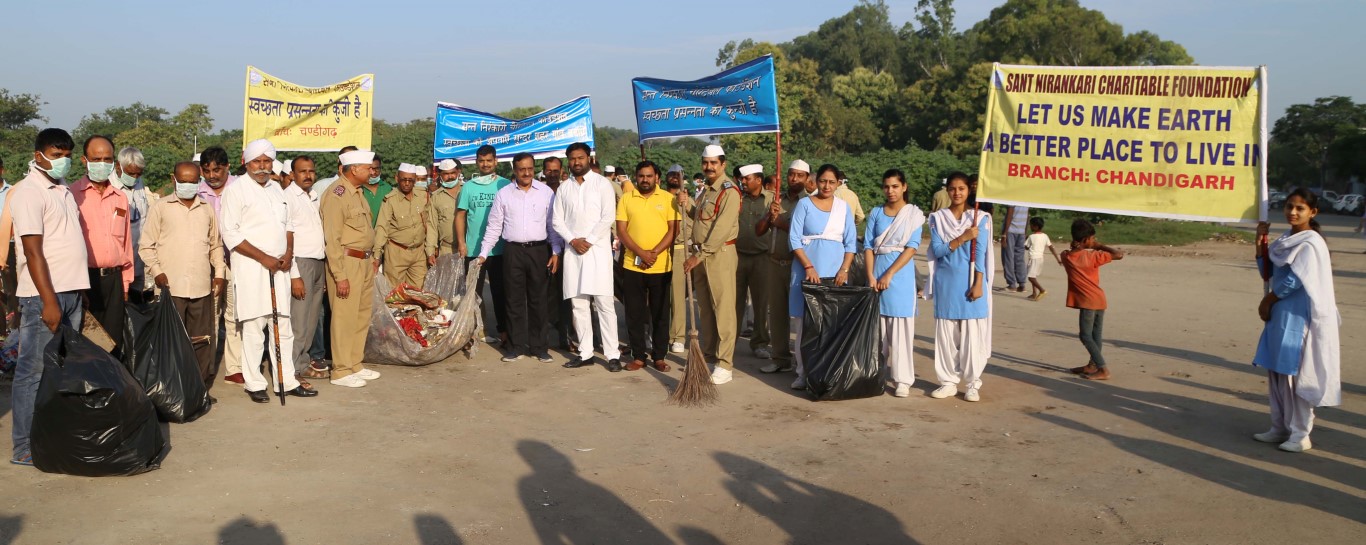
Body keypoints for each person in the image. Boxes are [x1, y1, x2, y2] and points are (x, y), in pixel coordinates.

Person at [8, 128, 89, 467]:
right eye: (56, 155)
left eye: (67, 154)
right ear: (38, 154)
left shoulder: (63, 191)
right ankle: (24, 447)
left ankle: (53, 434)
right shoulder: (28, 192)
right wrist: (50, 300)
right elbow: (33, 251)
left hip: (71, 292)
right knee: (33, 370)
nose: (62, 161)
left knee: (61, 370)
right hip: (45, 296)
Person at [218, 139, 317, 403]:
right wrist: (264, 258)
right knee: (254, 326)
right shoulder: (236, 190)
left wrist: (287, 258)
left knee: (282, 326)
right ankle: (254, 383)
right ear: (245, 162)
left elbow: (288, 227)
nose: (262, 167)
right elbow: (230, 233)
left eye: (267, 162)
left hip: (281, 269)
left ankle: (286, 380)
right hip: (252, 269)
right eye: (257, 162)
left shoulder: (277, 189)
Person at [1251, 189, 1340, 453]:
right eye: (1290, 206)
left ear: (1312, 212)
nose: (1293, 212)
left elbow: (1295, 279)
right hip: (1279, 314)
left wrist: (1269, 300)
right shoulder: (1284, 241)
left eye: (1300, 208)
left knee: (1294, 374)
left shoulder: (1311, 243)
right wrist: (1260, 242)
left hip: (1298, 315)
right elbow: (1267, 271)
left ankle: (1300, 433)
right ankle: (1279, 426)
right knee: (1276, 371)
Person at [140, 161, 226, 394]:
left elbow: (215, 245)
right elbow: (146, 247)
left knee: (201, 340)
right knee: (170, 341)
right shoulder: (161, 207)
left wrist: (219, 274)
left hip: (201, 287)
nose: (188, 185)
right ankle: (172, 389)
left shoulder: (206, 209)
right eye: (183, 181)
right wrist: (157, 272)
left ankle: (198, 389)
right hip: (171, 288)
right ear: (173, 179)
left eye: (193, 181)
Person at [478, 152, 561, 363]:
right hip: (513, 251)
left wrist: (555, 251)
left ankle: (540, 347)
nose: (526, 173)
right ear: (514, 170)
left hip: (539, 251)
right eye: (522, 169)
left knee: (538, 300)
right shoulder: (504, 194)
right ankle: (515, 347)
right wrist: (484, 252)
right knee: (513, 300)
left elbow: (552, 225)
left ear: (535, 169)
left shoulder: (545, 193)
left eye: (530, 169)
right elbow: (494, 225)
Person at [553, 142, 622, 372]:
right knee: (578, 304)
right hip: (574, 253)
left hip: (598, 252)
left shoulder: (602, 184)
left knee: (604, 304)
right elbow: (557, 221)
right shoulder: (564, 188)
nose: (576, 162)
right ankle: (585, 353)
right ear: (568, 161)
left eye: (580, 158)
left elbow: (608, 217)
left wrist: (588, 240)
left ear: (588, 158)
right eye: (572, 159)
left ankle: (612, 354)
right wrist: (573, 240)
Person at [787, 164, 857, 390]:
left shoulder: (843, 207)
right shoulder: (804, 204)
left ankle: (827, 371)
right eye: (823, 181)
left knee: (831, 323)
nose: (827, 186)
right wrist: (808, 266)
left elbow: (850, 242)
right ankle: (803, 372)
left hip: (835, 271)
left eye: (831, 182)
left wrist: (844, 269)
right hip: (806, 269)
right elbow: (794, 239)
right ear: (816, 182)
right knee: (805, 323)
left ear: (838, 184)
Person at [319, 149, 383, 389]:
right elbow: (332, 239)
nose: (372, 171)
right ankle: (341, 369)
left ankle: (355, 363)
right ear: (354, 169)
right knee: (344, 318)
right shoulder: (337, 194)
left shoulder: (357, 193)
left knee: (361, 315)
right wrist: (340, 275)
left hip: (364, 262)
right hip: (347, 262)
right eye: (368, 168)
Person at [927, 172, 992, 402]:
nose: (957, 193)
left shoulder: (980, 218)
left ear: (968, 191)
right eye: (953, 189)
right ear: (947, 191)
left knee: (971, 337)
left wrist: (978, 282)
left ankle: (973, 383)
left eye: (961, 189)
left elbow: (982, 254)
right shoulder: (937, 218)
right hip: (946, 283)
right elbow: (938, 250)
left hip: (970, 284)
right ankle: (948, 381)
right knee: (946, 336)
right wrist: (963, 237)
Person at [863, 169, 925, 398]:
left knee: (900, 331)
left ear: (904, 187)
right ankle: (876, 373)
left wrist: (889, 274)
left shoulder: (914, 215)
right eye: (887, 186)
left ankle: (902, 379)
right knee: (877, 332)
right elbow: (868, 245)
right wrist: (870, 275)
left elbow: (912, 247)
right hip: (876, 273)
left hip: (900, 277)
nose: (890, 191)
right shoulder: (876, 213)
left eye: (895, 186)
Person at [70, 135, 134, 355]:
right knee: (87, 340)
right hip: (84, 279)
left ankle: (111, 388)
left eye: (107, 159)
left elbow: (125, 242)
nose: (102, 164)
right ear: (84, 160)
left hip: (114, 279)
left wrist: (126, 281)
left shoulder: (120, 198)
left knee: (113, 341)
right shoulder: (71, 196)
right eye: (96, 159)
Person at [684, 145, 741, 385]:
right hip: (702, 254)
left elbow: (720, 229)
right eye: (705, 162)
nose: (708, 167)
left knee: (723, 309)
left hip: (719, 253)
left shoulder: (729, 191)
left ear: (723, 164)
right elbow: (701, 217)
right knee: (705, 309)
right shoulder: (707, 190)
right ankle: (708, 356)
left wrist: (700, 254)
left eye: (713, 163)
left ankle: (725, 364)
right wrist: (687, 204)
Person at [616, 160, 679, 372]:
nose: (645, 179)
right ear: (636, 177)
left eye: (649, 176)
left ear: (657, 178)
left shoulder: (669, 199)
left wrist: (654, 253)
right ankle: (639, 355)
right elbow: (622, 231)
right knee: (634, 313)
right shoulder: (626, 199)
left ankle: (659, 356)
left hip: (661, 265)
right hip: (632, 265)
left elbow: (673, 230)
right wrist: (641, 253)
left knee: (660, 313)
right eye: (641, 176)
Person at [197, 146, 247, 384]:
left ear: (227, 167)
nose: (212, 176)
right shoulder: (196, 193)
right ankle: (206, 365)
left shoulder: (241, 188)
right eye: (206, 171)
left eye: (217, 170)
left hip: (239, 259)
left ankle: (234, 367)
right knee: (210, 314)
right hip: (208, 262)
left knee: (235, 313)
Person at [754, 160, 808, 373]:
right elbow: (759, 230)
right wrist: (770, 216)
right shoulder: (776, 200)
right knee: (776, 313)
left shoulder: (809, 203)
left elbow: (806, 236)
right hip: (774, 262)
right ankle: (780, 358)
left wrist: (781, 224)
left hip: (797, 264)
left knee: (801, 316)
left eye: (799, 175)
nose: (794, 179)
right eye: (791, 174)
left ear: (807, 179)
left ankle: (803, 361)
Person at [456, 145, 512, 345]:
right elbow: (460, 215)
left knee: (501, 293)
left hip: (500, 250)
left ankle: (505, 333)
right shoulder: (469, 187)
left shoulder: (505, 185)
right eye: (481, 160)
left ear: (496, 161)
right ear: (476, 162)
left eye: (489, 160)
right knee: (472, 295)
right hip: (473, 250)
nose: (485, 164)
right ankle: (471, 333)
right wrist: (462, 243)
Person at [283, 156, 330, 384]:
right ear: (292, 174)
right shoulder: (288, 198)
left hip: (318, 261)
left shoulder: (313, 196)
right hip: (300, 263)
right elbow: (285, 240)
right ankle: (290, 371)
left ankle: (302, 364)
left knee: (311, 320)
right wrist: (295, 276)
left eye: (311, 170)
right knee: (299, 321)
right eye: (302, 171)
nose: (308, 175)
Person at [1060, 219, 1123, 381]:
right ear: (1086, 239)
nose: (1094, 242)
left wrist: (1084, 246)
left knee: (1086, 336)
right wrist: (1099, 246)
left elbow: (1066, 253)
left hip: (1088, 301)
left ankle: (1102, 368)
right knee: (1095, 335)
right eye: (1093, 239)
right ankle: (1093, 365)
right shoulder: (1094, 256)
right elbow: (1118, 254)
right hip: (1099, 299)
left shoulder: (1067, 257)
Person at [374, 164, 436, 289]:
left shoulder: (423, 197)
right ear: (397, 178)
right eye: (404, 180)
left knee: (418, 293)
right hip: (397, 252)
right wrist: (377, 255)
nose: (407, 183)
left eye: (411, 180)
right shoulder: (390, 200)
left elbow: (430, 225)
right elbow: (382, 228)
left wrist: (430, 252)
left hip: (419, 252)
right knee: (395, 294)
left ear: (415, 180)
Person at [734, 164, 773, 360]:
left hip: (762, 257)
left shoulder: (772, 200)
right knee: (734, 303)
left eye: (747, 179)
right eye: (742, 179)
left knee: (760, 302)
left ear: (758, 180)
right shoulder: (738, 198)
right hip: (738, 255)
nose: (743, 182)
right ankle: (728, 342)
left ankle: (759, 342)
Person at [113, 146, 158, 296]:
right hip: (119, 261)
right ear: (119, 166)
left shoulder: (139, 184)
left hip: (139, 260)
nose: (135, 177)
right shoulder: (109, 187)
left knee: (137, 301)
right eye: (131, 173)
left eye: (139, 173)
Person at [664, 164, 692, 354]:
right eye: (672, 175)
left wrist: (685, 203)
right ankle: (659, 333)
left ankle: (678, 336)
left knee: (678, 297)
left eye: (678, 175)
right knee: (658, 296)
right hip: (659, 250)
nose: (675, 178)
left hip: (680, 249)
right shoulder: (660, 197)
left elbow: (694, 221)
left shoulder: (690, 200)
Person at [1024, 217, 1060, 301]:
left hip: (1033, 259)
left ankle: (1042, 290)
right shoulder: (1045, 236)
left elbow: (1026, 247)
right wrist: (1057, 259)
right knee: (1034, 275)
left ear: (1035, 226)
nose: (1030, 227)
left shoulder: (1031, 237)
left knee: (1030, 277)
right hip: (1040, 259)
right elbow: (1051, 247)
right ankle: (1034, 293)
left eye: (1031, 225)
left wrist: (1025, 239)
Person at [431, 159, 463, 257]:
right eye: (446, 174)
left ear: (458, 172)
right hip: (446, 249)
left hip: (468, 247)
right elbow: (432, 225)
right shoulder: (435, 197)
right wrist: (431, 251)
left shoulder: (467, 190)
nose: (450, 177)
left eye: (453, 173)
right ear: (440, 175)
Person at [998, 205, 1030, 293]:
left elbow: (1010, 214)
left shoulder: (1012, 197)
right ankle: (1022, 284)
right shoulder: (1027, 199)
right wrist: (1025, 232)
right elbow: (1028, 216)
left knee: (1008, 258)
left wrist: (1004, 233)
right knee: (1019, 258)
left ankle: (1012, 284)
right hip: (1021, 231)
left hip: (1011, 230)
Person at [361, 153, 391, 224]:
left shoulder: (388, 189)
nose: (373, 172)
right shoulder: (358, 189)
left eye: (376, 168)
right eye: (370, 169)